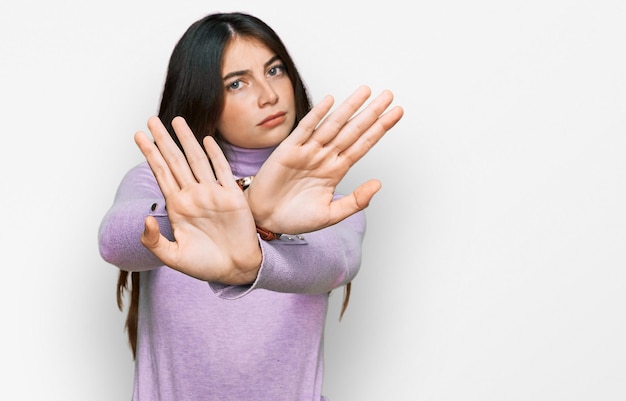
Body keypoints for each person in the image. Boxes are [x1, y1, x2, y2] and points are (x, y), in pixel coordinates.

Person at [98, 11, 403, 401]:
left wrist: (252, 233)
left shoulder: (328, 205)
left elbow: (335, 265)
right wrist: (243, 207)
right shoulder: (159, 184)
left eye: (275, 71)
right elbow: (115, 242)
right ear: (202, 97)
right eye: (237, 83)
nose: (269, 94)